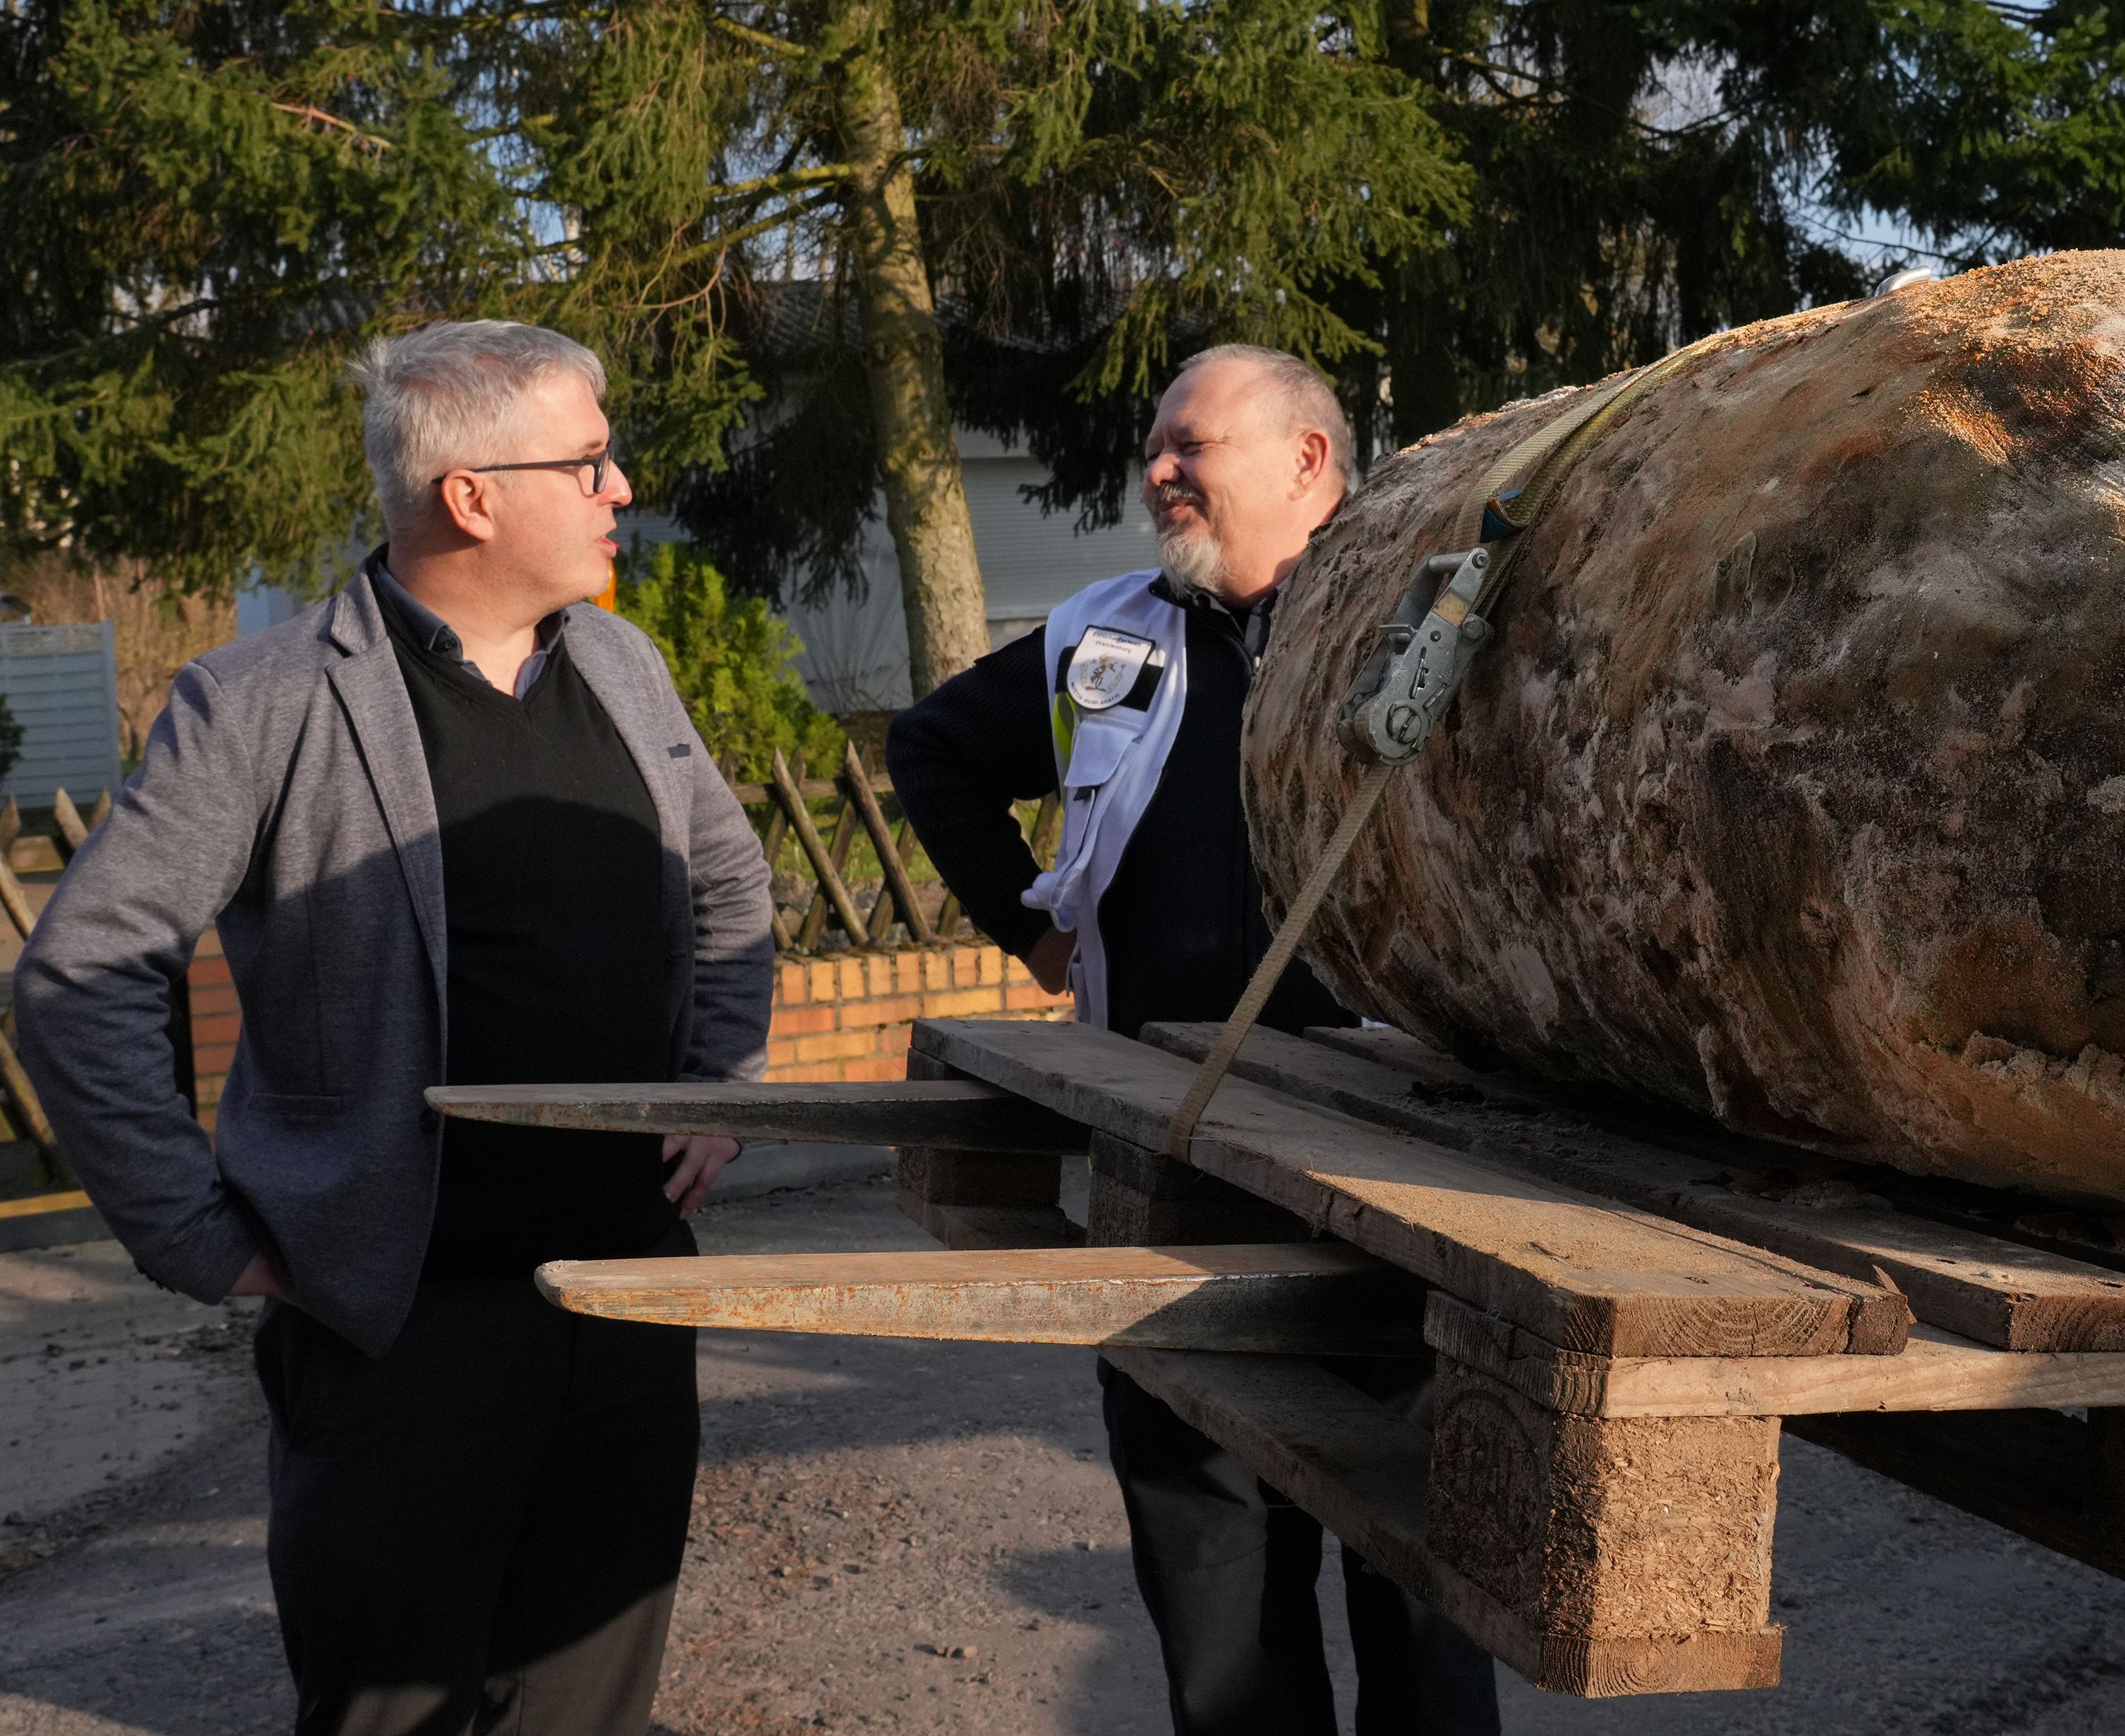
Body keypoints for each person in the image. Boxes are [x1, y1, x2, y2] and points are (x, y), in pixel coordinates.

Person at [14, 320, 777, 1736]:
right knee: (389, 1711)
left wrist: (719, 1082)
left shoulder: (623, 666)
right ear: (471, 495)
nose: (621, 486)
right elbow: (80, 974)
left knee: (588, 1705)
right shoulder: (263, 702)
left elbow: (730, 884)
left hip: (626, 1294)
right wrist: (197, 1234)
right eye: (589, 459)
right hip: (401, 1331)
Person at [890, 344, 1501, 1736]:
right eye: (1155, 445)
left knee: (1421, 1588)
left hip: (1398, 1178)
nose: (1159, 469)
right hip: (1166, 1173)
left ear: (1308, 460)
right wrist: (1035, 933)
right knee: (1215, 1583)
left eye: (1192, 444)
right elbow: (932, 750)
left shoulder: (1432, 625)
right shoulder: (1101, 636)